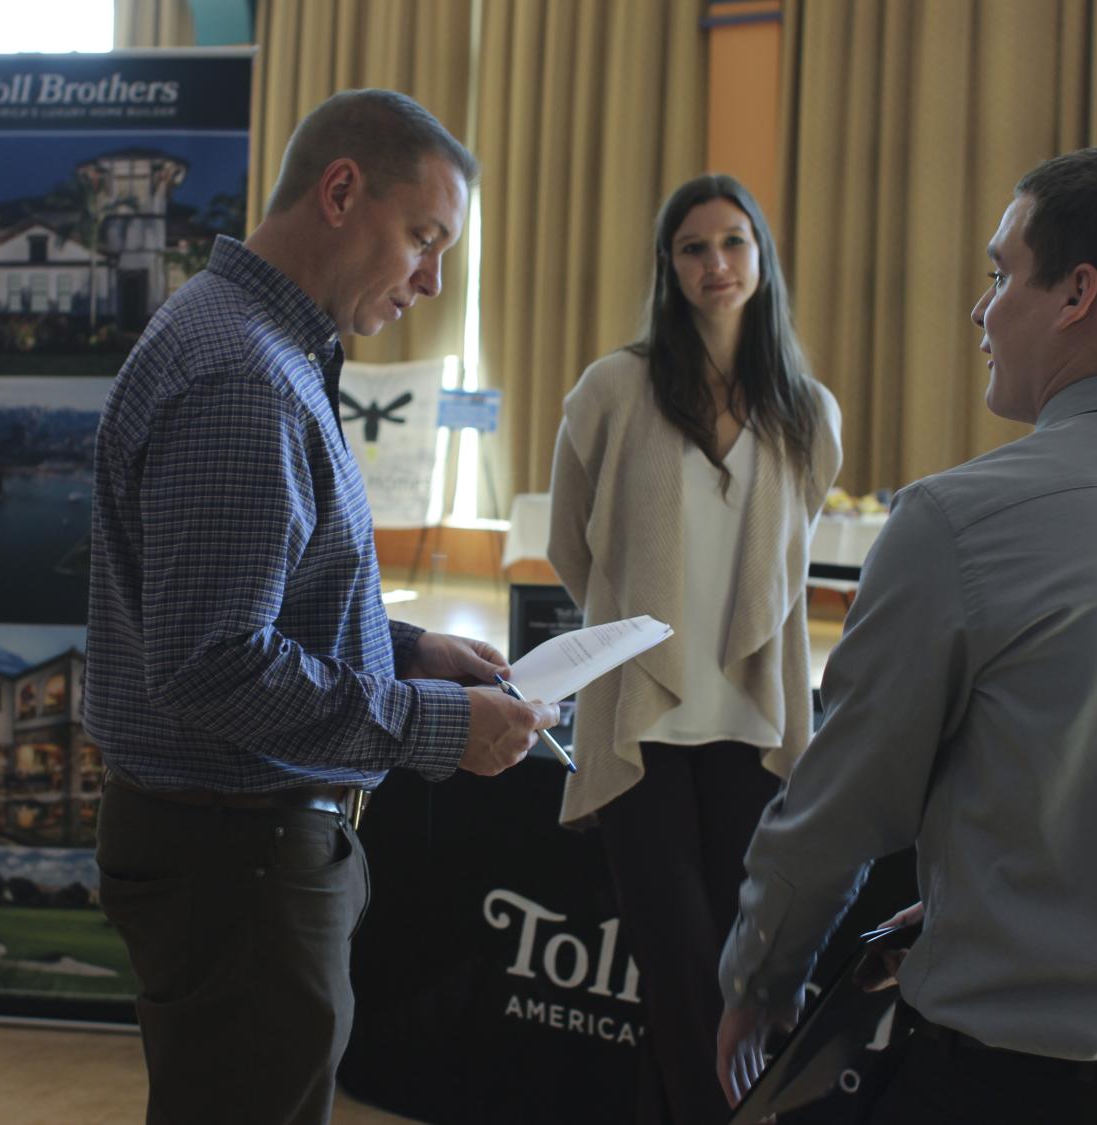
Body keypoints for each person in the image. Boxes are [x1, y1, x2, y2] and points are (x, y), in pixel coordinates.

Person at [716, 143, 1097, 1125]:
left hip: (1004, 1086)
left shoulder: (958, 525)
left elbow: (838, 811)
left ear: (1076, 294)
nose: (981, 308)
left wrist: (761, 980)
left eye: (1003, 273)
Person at [84, 89, 558, 1125]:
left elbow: (260, 608)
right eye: (424, 239)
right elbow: (216, 662)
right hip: (238, 858)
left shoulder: (263, 346)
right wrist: (437, 727)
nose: (432, 280)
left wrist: (410, 649)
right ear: (342, 191)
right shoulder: (242, 375)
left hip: (241, 850)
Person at [547, 173, 842, 1124]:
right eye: (692, 247)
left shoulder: (810, 411)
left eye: (733, 243)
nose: (715, 263)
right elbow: (569, 544)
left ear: (761, 258)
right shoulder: (613, 388)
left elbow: (791, 566)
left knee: (717, 977)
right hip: (643, 721)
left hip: (753, 727)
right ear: (667, 268)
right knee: (682, 973)